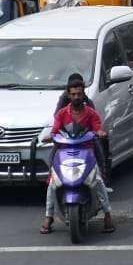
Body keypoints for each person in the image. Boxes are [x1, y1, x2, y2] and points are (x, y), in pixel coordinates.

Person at [39, 75, 113, 234]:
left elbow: (96, 126)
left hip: (87, 149)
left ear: (83, 93)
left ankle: (107, 214)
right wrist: (51, 136)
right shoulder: (61, 113)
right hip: (64, 149)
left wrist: (99, 132)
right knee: (53, 183)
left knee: (98, 180)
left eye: (79, 94)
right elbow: (55, 129)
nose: (76, 97)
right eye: (73, 94)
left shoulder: (91, 112)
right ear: (68, 94)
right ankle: (49, 216)